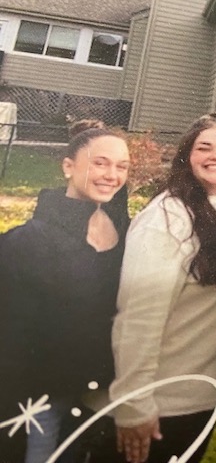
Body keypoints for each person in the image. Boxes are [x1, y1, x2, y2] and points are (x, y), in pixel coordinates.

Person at [108, 113, 216, 463]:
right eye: (203, 147)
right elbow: (139, 317)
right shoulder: (167, 218)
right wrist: (135, 403)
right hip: (160, 402)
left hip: (201, 397)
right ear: (185, 156)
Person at [0, 121, 130, 463]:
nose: (112, 175)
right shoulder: (28, 242)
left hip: (98, 392)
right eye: (100, 162)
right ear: (68, 166)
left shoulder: (126, 230)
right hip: (37, 397)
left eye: (122, 166)